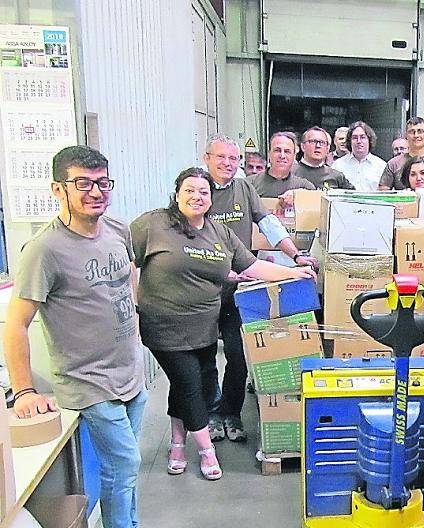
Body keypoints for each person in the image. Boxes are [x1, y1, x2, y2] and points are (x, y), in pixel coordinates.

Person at [131, 168, 315, 481]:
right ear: (177, 194)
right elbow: (125, 262)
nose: (196, 197)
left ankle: (177, 442)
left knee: (185, 383)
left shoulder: (219, 233)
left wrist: (294, 273)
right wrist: (134, 304)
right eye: (189, 190)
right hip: (164, 326)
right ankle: (206, 450)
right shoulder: (153, 224)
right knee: (192, 384)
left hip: (204, 325)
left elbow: (253, 266)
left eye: (203, 192)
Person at [4, 146, 147, 528]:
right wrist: (24, 391)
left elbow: (127, 278)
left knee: (124, 474)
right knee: (125, 465)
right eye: (82, 183)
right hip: (87, 382)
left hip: (130, 374)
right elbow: (16, 322)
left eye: (102, 183)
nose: (96, 192)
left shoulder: (118, 229)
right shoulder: (44, 250)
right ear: (57, 189)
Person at [202, 133, 315, 443]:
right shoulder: (197, 189)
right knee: (205, 356)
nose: (227, 163)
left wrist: (296, 255)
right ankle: (210, 414)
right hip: (203, 291)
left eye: (232, 159)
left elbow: (268, 224)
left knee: (238, 355)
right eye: (220, 157)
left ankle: (230, 412)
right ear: (206, 158)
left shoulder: (243, 187)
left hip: (240, 287)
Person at [248, 131, 316, 198]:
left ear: (294, 156)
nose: (282, 156)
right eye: (277, 150)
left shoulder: (305, 187)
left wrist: (297, 196)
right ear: (269, 154)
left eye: (287, 151)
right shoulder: (248, 184)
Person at [332, 121, 386, 191]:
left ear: (369, 140)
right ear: (349, 141)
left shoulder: (381, 166)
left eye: (363, 137)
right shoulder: (338, 165)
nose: (359, 141)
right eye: (355, 138)